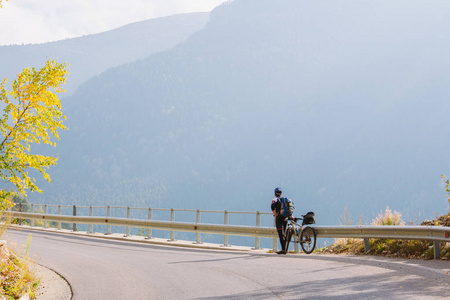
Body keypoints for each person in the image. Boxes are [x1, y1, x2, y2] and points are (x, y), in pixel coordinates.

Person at [271, 187, 294, 255]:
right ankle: (285, 248)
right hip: (285, 218)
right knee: (284, 233)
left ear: (275, 193)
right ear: (281, 193)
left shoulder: (275, 200)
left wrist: (275, 214)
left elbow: (272, 207)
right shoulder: (284, 200)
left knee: (281, 234)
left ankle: (283, 249)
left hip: (279, 218)